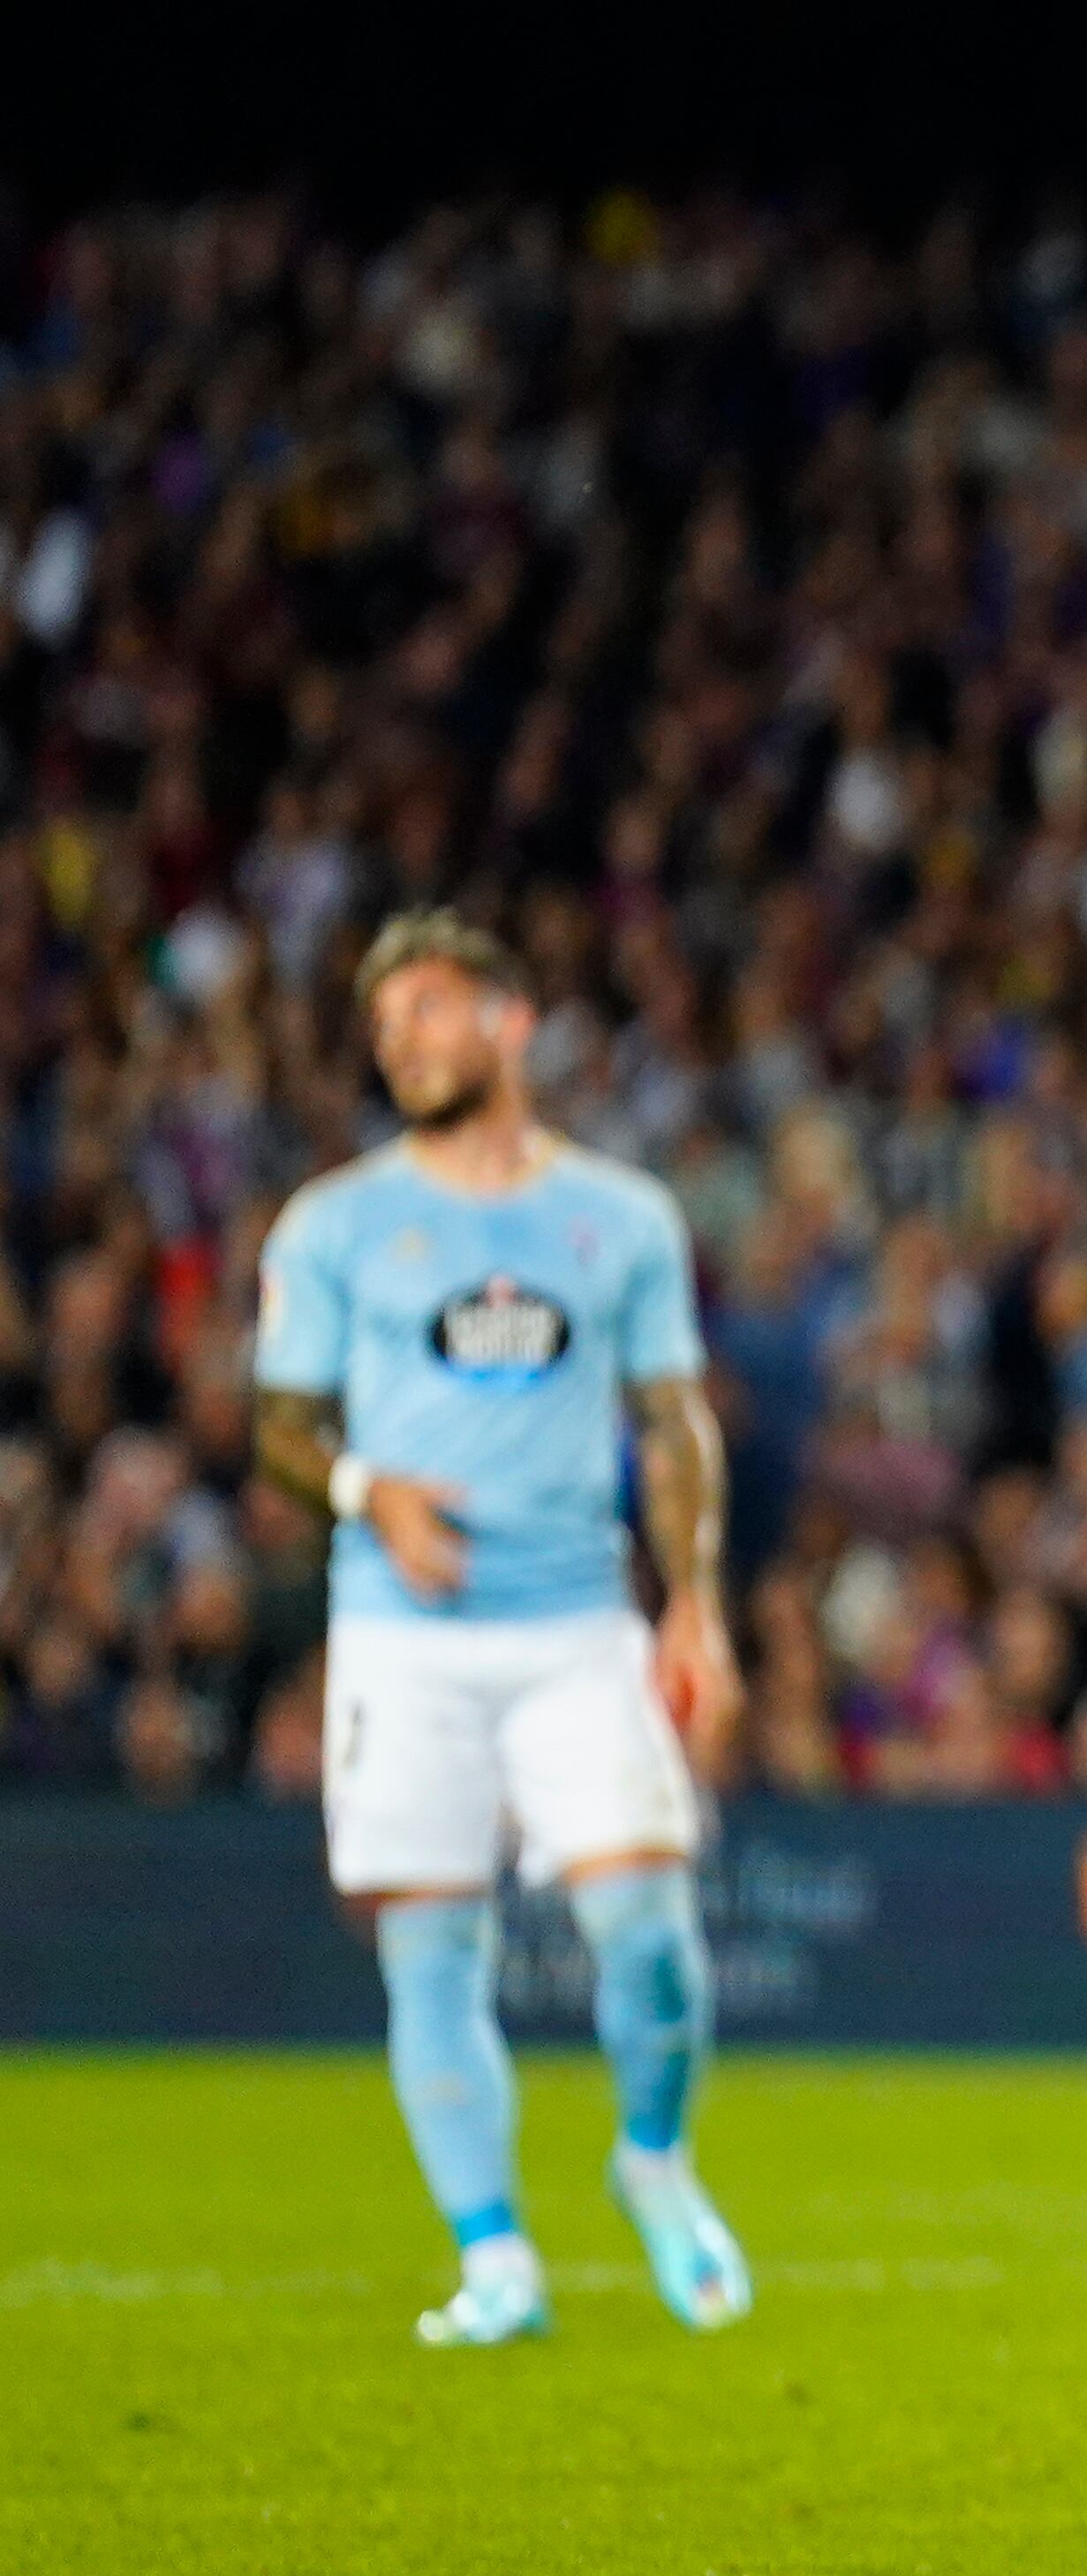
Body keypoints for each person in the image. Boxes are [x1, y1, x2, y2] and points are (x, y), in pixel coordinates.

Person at [249, 910, 751, 2347]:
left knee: (644, 1921)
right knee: (432, 1951)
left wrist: (697, 1599)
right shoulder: (335, 1221)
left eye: (431, 1007)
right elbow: (279, 1419)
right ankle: (495, 2255)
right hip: (401, 1633)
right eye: (386, 1019)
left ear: (511, 1019)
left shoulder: (619, 1215)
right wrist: (365, 1487)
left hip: (576, 1617)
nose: (403, 1036)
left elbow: (671, 1421)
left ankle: (652, 2158)